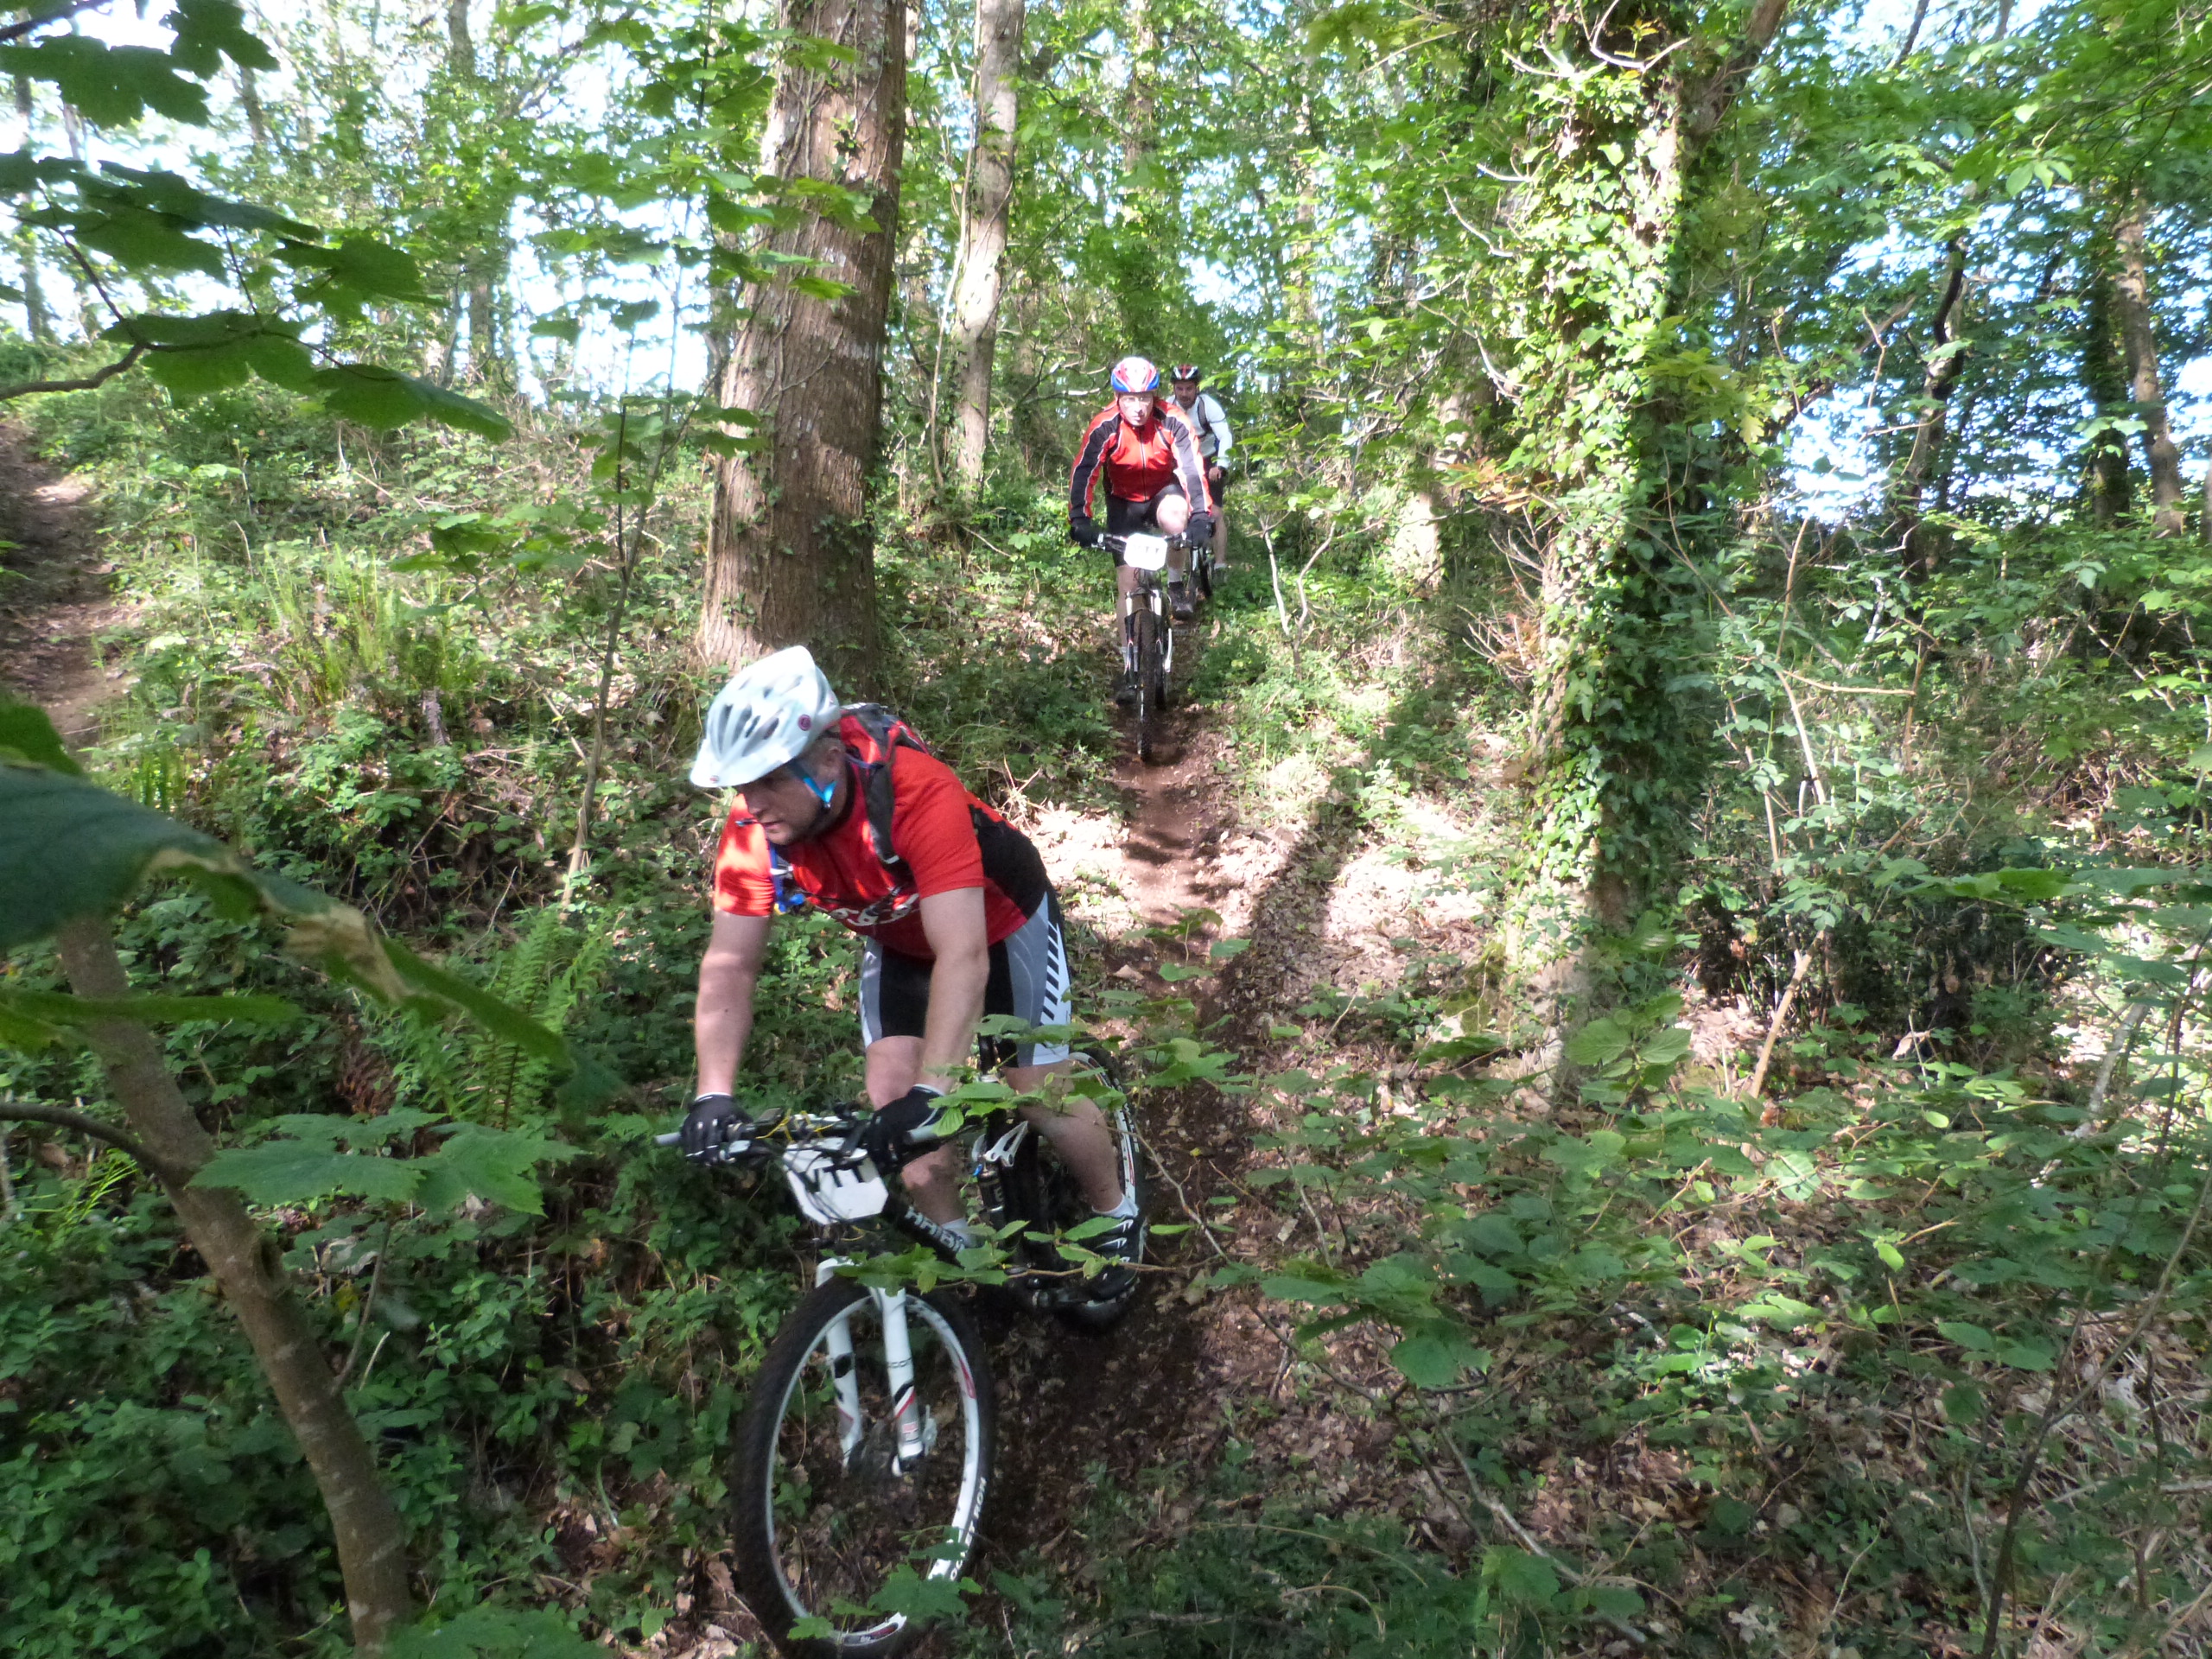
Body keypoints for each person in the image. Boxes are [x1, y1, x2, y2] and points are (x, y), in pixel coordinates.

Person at [680, 645, 1141, 1280]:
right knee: (897, 1111)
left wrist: (936, 1089)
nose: (753, 802)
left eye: (770, 780)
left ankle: (1116, 1213)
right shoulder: (754, 830)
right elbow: (731, 964)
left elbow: (964, 954)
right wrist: (714, 1093)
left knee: (1038, 1091)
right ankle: (963, 1266)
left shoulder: (915, 793)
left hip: (1001, 919)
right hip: (900, 939)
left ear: (827, 758)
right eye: (742, 785)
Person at [1068, 354, 1216, 704]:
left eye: (1145, 398)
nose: (1138, 407)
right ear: (1118, 398)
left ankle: (1176, 585)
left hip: (1163, 491)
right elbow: (1085, 471)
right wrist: (1079, 519)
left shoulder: (1173, 420)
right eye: (1130, 398)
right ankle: (1128, 665)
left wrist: (1200, 516)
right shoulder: (1105, 425)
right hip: (1123, 502)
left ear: (1155, 396)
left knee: (1177, 521)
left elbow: (1192, 469)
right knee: (1128, 585)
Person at [1168, 365, 1233, 573]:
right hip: (1181, 462)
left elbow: (1225, 437)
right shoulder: (1168, 407)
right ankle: (1184, 566)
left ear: (1197, 388)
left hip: (1208, 460)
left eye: (1189, 388)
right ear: (1174, 389)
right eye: (1180, 389)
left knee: (1215, 512)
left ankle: (1220, 564)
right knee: (1178, 512)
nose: (1184, 393)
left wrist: (1220, 465)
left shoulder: (1208, 406)